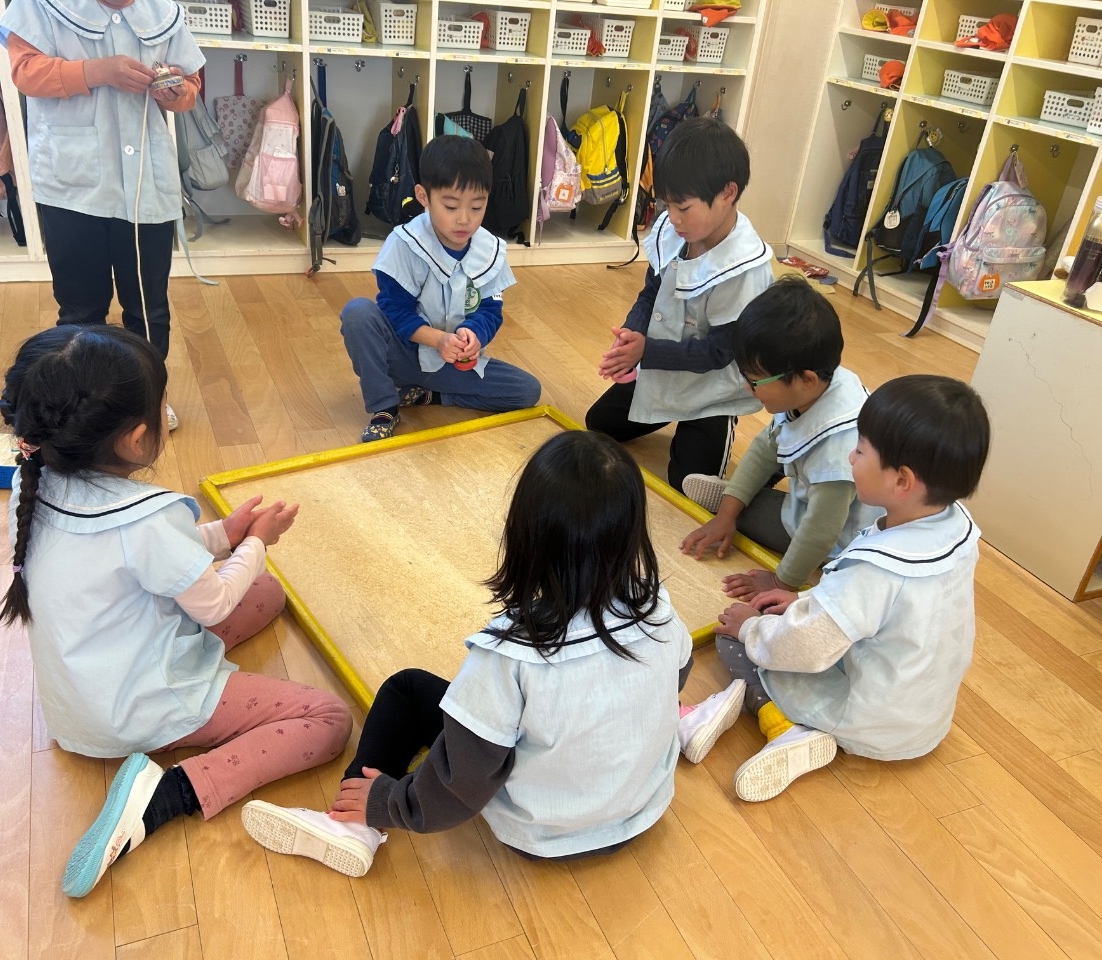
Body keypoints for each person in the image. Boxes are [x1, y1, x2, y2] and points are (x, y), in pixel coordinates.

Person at [0, 325, 353, 897]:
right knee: (328, 719)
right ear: (137, 439)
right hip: (142, 708)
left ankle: (163, 748)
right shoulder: (147, 517)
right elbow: (213, 603)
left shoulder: (32, 480)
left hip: (77, 705)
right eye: (163, 405)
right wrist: (256, 543)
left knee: (267, 593)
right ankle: (168, 795)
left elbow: (154, 557)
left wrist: (223, 536)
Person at [239, 430, 694, 876]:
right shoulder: (661, 613)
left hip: (543, 837)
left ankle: (353, 825)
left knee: (406, 690)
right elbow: (675, 676)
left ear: (525, 536)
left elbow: (462, 785)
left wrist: (391, 802)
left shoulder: (509, 656)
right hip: (641, 811)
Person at [678, 375, 990, 801]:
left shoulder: (875, 571)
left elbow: (806, 646)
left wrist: (751, 626)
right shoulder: (957, 529)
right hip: (925, 718)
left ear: (902, 481)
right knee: (773, 623)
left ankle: (784, 728)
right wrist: (805, 599)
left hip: (865, 719)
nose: (850, 456)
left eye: (861, 450)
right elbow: (884, 610)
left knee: (734, 636)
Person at [0, 0, 205, 431]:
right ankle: (81, 406)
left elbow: (190, 85)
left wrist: (175, 91)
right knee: (81, 308)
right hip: (73, 186)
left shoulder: (163, 11)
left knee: (148, 307)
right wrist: (97, 71)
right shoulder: (41, 6)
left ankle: (145, 401)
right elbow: (25, 72)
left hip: (145, 183)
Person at [585, 116, 773, 494]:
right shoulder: (676, 233)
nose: (672, 218)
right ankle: (666, 410)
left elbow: (718, 354)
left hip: (713, 391)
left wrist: (646, 351)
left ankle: (705, 431)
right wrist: (632, 332)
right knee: (599, 424)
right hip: (664, 365)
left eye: (683, 207)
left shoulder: (744, 268)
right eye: (667, 204)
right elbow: (650, 292)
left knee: (686, 485)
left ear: (728, 193)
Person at [679, 276, 884, 600]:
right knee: (751, 488)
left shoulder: (837, 452)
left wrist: (781, 582)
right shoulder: (819, 384)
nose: (747, 387)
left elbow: (821, 532)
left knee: (758, 514)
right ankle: (734, 497)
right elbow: (766, 447)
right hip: (818, 500)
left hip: (842, 537)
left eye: (755, 381)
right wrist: (726, 513)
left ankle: (738, 498)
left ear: (806, 380)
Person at [339, 135, 541, 443]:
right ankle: (384, 407)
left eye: (477, 206)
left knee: (526, 391)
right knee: (358, 313)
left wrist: (474, 334)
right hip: (402, 356)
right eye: (450, 206)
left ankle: (428, 396)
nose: (464, 219)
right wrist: (439, 340)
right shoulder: (404, 242)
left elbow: (490, 311)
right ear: (423, 196)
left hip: (450, 364)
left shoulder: (490, 250)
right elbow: (395, 312)